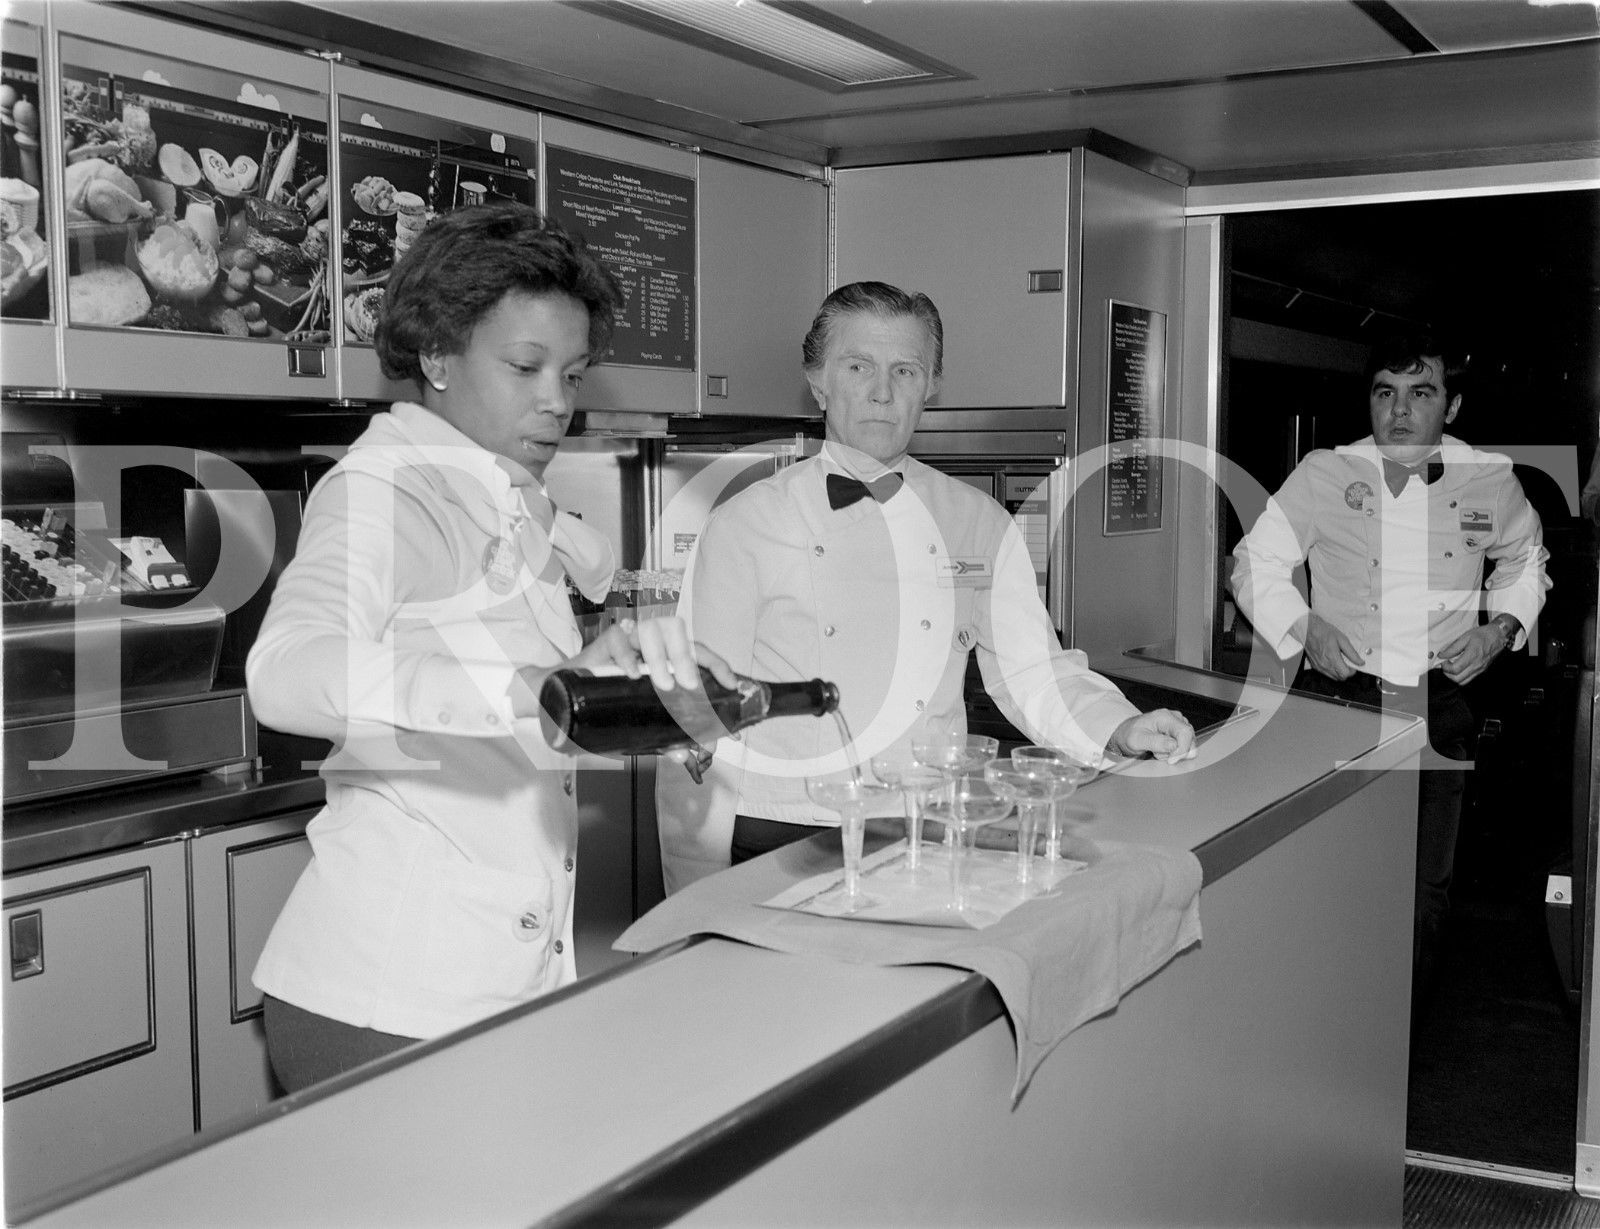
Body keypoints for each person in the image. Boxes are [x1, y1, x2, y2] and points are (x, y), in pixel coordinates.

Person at [247, 203, 731, 1092]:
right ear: (435, 357)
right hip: (386, 1001)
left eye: (574, 374)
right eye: (525, 366)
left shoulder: (499, 495)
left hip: (493, 983)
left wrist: (636, 684)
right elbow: (283, 672)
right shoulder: (384, 493)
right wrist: (533, 684)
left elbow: (544, 643)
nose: (558, 401)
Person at [657, 281, 1195, 889]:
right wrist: (690, 885)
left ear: (932, 385)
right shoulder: (745, 522)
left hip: (923, 822)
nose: (882, 393)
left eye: (905, 371)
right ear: (818, 382)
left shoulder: (977, 521)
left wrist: (1118, 727)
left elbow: (1032, 672)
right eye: (857, 366)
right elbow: (694, 708)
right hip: (780, 829)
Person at [1231, 333, 1550, 1006]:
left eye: (1421, 393)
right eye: (1385, 393)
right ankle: (1317, 1036)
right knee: (1326, 880)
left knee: (1420, 895)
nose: (1400, 412)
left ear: (1452, 406)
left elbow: (1528, 560)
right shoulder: (1325, 473)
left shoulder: (1489, 478)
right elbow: (1251, 562)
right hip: (1337, 702)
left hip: (1435, 706)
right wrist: (1303, 626)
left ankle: (1392, 1054)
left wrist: (1501, 629)